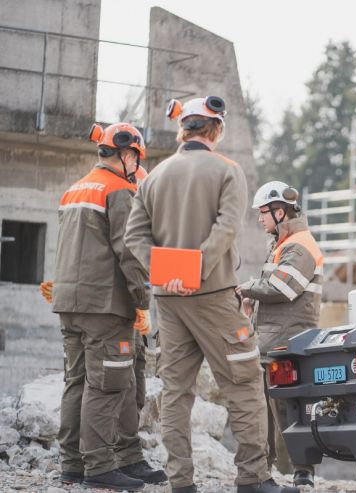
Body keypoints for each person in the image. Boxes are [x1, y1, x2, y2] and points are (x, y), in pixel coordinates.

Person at [124, 96, 298, 493]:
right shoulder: (227, 170)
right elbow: (226, 228)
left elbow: (133, 236)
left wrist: (166, 273)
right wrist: (195, 271)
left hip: (167, 300)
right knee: (244, 384)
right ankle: (253, 478)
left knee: (175, 392)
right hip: (215, 294)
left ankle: (180, 482)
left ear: (182, 129)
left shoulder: (153, 177)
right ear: (216, 130)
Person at [51, 122, 166, 491]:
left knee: (78, 381)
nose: (137, 166)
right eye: (137, 158)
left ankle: (76, 464)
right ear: (127, 154)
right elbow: (129, 252)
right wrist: (142, 301)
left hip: (70, 303)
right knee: (107, 386)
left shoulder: (75, 189)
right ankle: (100, 466)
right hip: (105, 306)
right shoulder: (118, 189)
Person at [237, 181, 323, 488]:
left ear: (280, 211)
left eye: (264, 213)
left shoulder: (300, 245)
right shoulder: (282, 244)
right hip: (274, 341)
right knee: (268, 411)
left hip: (291, 342)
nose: (260, 220)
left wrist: (244, 288)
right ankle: (267, 472)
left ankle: (304, 473)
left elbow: (283, 288)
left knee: (291, 409)